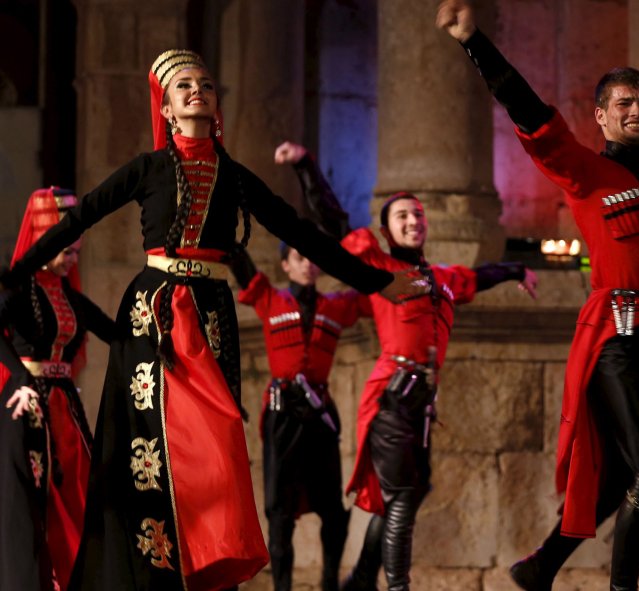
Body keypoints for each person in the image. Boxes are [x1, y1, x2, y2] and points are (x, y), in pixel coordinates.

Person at [0, 50, 423, 591]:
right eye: (183, 86)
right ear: (169, 110)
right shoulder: (147, 169)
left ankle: (206, 566)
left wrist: (377, 281)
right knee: (150, 451)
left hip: (208, 316)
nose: (196, 89)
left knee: (218, 445)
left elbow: (301, 232)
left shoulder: (235, 177)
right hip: (152, 316)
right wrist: (17, 273)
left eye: (205, 83)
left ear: (217, 105)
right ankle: (153, 572)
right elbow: (80, 216)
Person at [437, 3, 639, 589]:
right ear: (601, 117)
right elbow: (531, 116)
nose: (635, 111)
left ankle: (539, 567)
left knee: (615, 480)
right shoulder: (585, 172)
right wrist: (476, 42)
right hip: (613, 339)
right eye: (622, 104)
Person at [275, 141, 538, 591]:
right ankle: (396, 587)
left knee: (408, 492)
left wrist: (516, 271)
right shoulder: (377, 264)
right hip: (391, 396)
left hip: (421, 403)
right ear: (387, 230)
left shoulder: (442, 276)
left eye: (418, 216)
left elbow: (479, 277)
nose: (413, 222)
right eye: (402, 217)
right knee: (399, 495)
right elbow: (335, 222)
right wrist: (305, 166)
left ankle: (359, 580)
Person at [232, 235, 368, 591]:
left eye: (313, 258)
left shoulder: (337, 305)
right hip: (283, 415)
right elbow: (239, 261)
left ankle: (329, 585)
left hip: (320, 415)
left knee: (334, 512)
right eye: (299, 256)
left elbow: (377, 293)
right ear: (286, 265)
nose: (308, 263)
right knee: (279, 511)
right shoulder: (270, 298)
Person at [0, 188, 117, 591]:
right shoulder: (17, 289)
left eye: (77, 253)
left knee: (81, 500)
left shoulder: (69, 295)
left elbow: (115, 333)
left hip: (66, 414)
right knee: (36, 506)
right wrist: (19, 378)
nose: (72, 260)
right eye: (66, 251)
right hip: (27, 409)